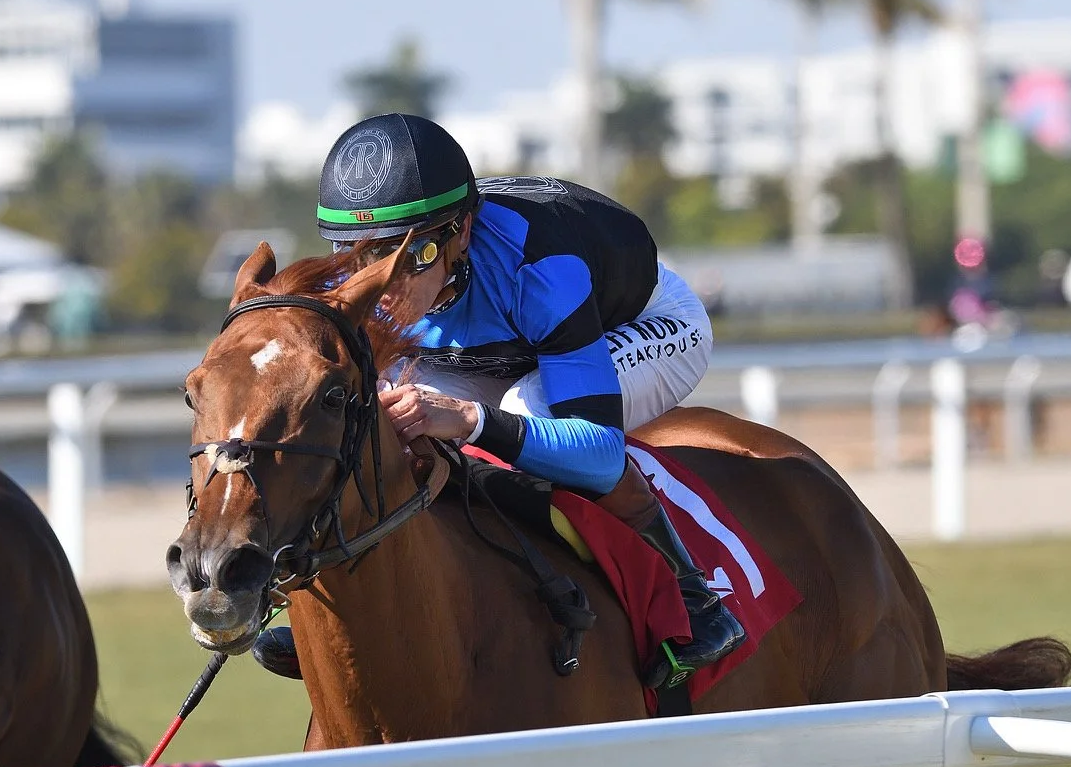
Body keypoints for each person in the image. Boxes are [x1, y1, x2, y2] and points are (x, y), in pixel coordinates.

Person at [253, 112, 744, 688]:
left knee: (525, 407)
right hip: (502, 345)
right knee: (385, 425)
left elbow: (600, 455)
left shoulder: (539, 268)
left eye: (409, 256)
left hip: (646, 324)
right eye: (360, 254)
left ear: (460, 232)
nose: (385, 282)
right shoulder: (366, 282)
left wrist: (468, 420)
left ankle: (695, 600)